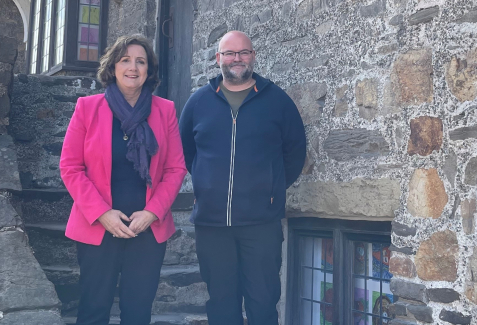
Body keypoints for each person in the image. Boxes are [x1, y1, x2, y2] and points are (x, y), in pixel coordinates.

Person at [179, 31, 307, 325]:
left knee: (263, 302)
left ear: (253, 56)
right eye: (229, 53)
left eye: (244, 52)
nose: (237, 58)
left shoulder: (277, 101)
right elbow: (187, 151)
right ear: (218, 59)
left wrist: (270, 187)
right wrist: (206, 183)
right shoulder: (198, 102)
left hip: (261, 223)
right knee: (222, 304)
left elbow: (295, 152)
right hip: (211, 224)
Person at [60, 34, 187, 325]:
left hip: (147, 228)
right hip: (98, 226)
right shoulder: (87, 108)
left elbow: (175, 169)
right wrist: (102, 213)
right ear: (113, 67)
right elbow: (70, 167)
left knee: (138, 313)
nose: (133, 67)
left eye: (141, 61)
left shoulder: (164, 110)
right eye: (125, 60)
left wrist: (152, 212)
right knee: (93, 310)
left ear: (149, 70)